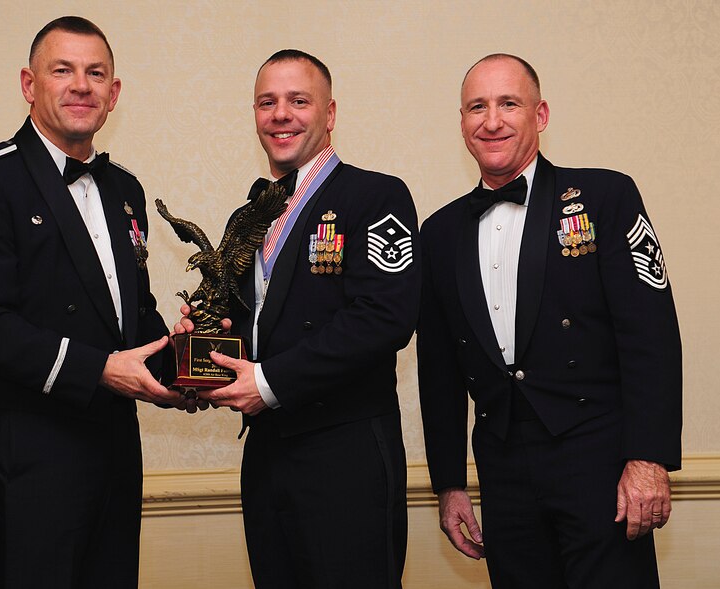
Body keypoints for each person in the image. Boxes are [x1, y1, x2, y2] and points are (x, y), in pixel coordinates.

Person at [0, 16, 185, 589]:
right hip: (34, 453)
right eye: (63, 70)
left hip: (118, 453)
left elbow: (131, 314)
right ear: (29, 84)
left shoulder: (126, 189)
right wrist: (99, 369)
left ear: (114, 93)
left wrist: (185, 366)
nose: (82, 85)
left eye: (96, 73)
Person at [417, 53, 682, 588]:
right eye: (476, 107)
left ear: (539, 115)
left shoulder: (605, 196)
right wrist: (449, 484)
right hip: (503, 470)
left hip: (600, 464)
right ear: (462, 123)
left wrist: (648, 458)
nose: (491, 121)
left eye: (508, 103)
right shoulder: (439, 232)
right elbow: (439, 369)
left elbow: (650, 334)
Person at [180, 50, 420, 588]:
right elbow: (249, 323)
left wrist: (267, 383)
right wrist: (203, 353)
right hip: (266, 457)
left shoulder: (375, 195)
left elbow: (385, 318)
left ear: (329, 113)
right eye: (267, 102)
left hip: (346, 456)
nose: (280, 114)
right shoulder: (250, 214)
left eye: (298, 101)